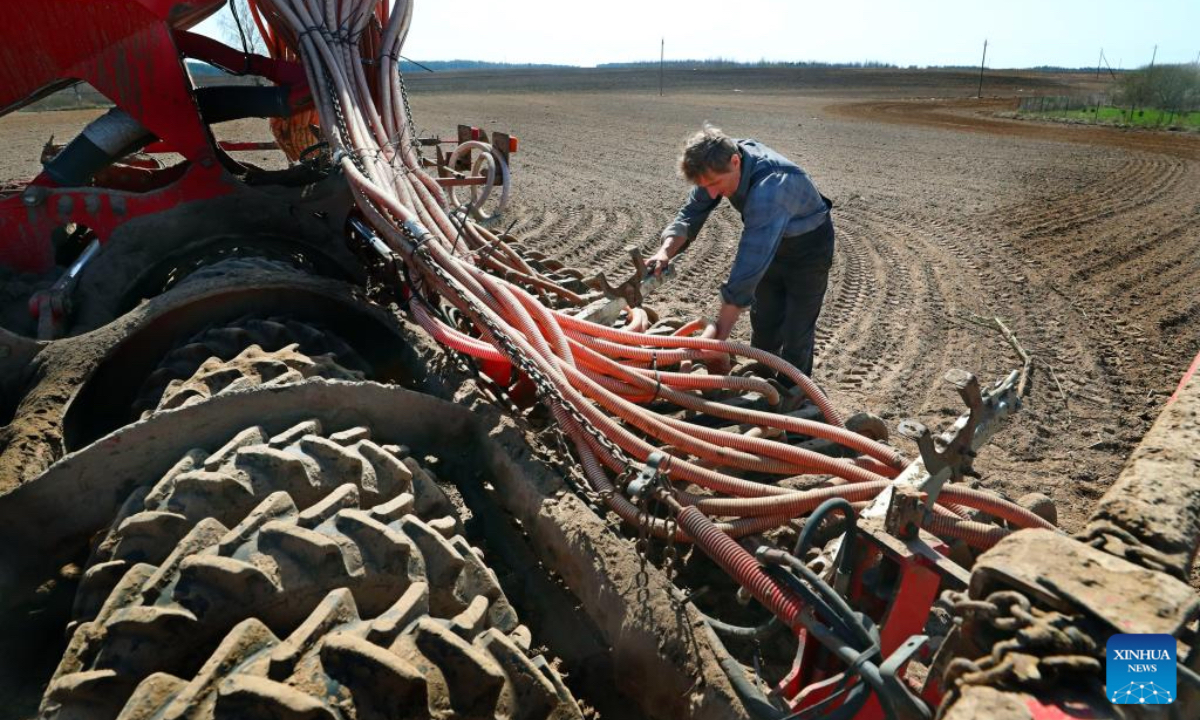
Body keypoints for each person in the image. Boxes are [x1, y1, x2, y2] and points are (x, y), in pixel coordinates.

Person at [647, 124, 835, 381]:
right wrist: (664, 252)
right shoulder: (715, 160)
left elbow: (749, 265)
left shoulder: (771, 187)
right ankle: (763, 374)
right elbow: (692, 212)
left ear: (736, 162)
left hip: (808, 249)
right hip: (775, 242)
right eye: (706, 185)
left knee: (797, 328)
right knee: (765, 320)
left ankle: (795, 392)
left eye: (715, 184)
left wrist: (717, 340)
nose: (712, 192)